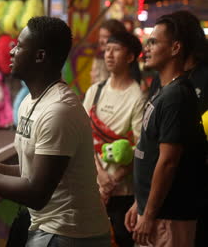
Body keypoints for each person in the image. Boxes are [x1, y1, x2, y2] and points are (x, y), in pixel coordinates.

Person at [0, 16, 111, 246]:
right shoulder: (29, 102)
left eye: (19, 45)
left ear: (40, 56)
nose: (12, 51)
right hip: (48, 227)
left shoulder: (59, 111)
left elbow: (36, 192)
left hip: (71, 235)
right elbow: (30, 171)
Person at [124, 13, 206, 247]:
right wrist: (139, 203)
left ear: (175, 48)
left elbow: (168, 161)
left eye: (154, 42)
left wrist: (148, 213)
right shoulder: (164, 89)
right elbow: (149, 151)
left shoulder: (176, 96)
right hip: (155, 212)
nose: (146, 48)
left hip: (168, 217)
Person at [82, 31, 145, 247]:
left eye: (116, 50)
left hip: (122, 193)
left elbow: (139, 147)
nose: (109, 55)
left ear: (130, 57)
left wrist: (112, 181)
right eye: (107, 49)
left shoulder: (137, 97)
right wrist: (100, 177)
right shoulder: (95, 91)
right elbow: (82, 137)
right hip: (92, 186)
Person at [90, 19, 127, 84]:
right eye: (100, 36)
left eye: (105, 37)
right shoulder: (99, 57)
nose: (101, 41)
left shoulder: (123, 62)